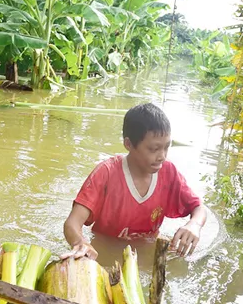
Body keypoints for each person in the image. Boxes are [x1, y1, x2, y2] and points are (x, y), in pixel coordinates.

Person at [63, 103, 206, 260]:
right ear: (128, 144)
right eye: (153, 149)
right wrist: (80, 242)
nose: (162, 156)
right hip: (107, 252)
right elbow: (72, 223)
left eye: (166, 147)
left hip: (146, 252)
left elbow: (199, 208)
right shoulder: (106, 173)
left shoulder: (168, 173)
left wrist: (194, 225)